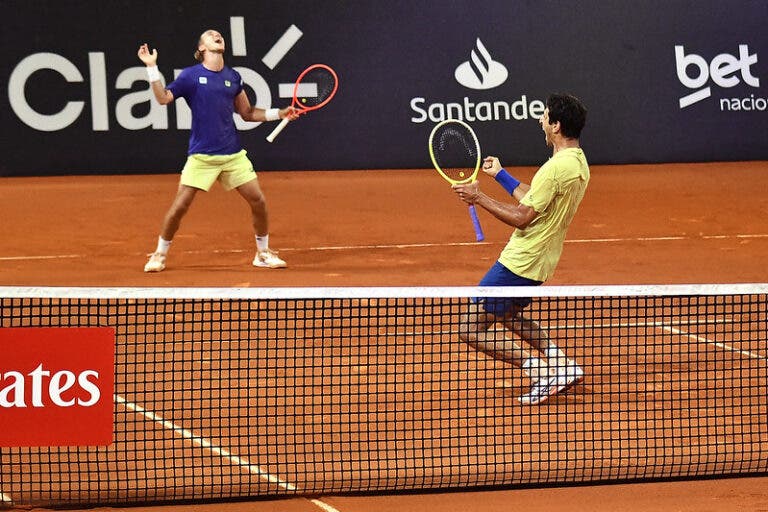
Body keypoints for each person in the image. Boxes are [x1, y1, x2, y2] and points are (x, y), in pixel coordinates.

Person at [452, 93, 589, 405]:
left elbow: (523, 217)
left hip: (521, 261)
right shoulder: (576, 162)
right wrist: (500, 175)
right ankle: (560, 363)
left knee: (470, 328)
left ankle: (541, 372)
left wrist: (478, 198)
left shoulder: (555, 168)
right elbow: (534, 198)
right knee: (509, 314)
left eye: (544, 116)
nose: (539, 121)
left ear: (555, 125)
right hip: (542, 260)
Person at [137, 29, 299, 272]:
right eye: (210, 34)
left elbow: (247, 113)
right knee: (179, 207)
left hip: (232, 154)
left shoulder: (233, 77)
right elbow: (163, 98)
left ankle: (263, 253)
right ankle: (159, 255)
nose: (216, 34)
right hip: (202, 156)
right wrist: (151, 67)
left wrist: (279, 113)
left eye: (218, 34)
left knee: (258, 201)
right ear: (201, 48)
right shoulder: (191, 76)